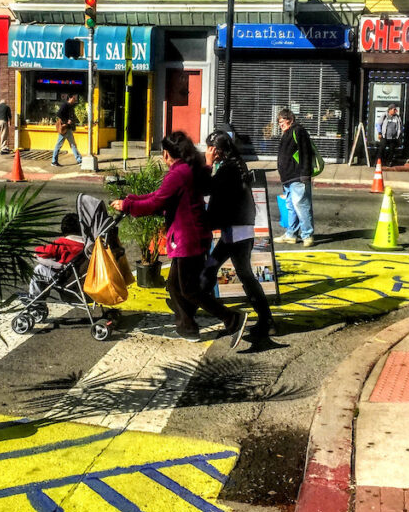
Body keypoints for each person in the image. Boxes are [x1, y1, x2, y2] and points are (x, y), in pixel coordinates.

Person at [111, 131, 248, 348]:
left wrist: (128, 206)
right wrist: (131, 199)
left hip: (187, 239)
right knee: (175, 287)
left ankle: (231, 319)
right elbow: (160, 195)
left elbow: (156, 203)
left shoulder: (178, 174)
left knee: (189, 290)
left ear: (166, 154)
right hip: (192, 236)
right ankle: (187, 327)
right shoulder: (189, 168)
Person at [202, 129, 275, 338]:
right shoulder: (235, 164)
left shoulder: (228, 169)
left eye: (209, 148)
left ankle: (266, 320)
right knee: (211, 268)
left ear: (217, 150)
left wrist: (208, 164)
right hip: (236, 229)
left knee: (243, 275)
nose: (207, 151)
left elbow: (207, 188)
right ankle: (200, 306)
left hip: (237, 231)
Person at [274, 108, 316, 247]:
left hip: (297, 176)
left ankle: (307, 235)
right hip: (288, 177)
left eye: (282, 121)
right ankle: (291, 234)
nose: (280, 125)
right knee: (291, 206)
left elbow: (306, 153)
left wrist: (305, 174)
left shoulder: (298, 131)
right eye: (279, 122)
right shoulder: (287, 133)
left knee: (301, 205)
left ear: (290, 120)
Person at [27, 213, 85, 304]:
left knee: (40, 269)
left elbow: (42, 251)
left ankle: (35, 301)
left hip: (65, 280)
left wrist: (36, 254)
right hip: (80, 280)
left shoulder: (62, 243)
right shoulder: (87, 245)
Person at [52, 93, 83, 167]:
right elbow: (59, 114)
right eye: (74, 98)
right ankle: (54, 161)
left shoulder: (70, 106)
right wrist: (66, 121)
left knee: (72, 145)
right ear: (70, 98)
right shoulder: (65, 105)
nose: (75, 99)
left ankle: (79, 160)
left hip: (68, 129)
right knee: (59, 145)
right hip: (64, 129)